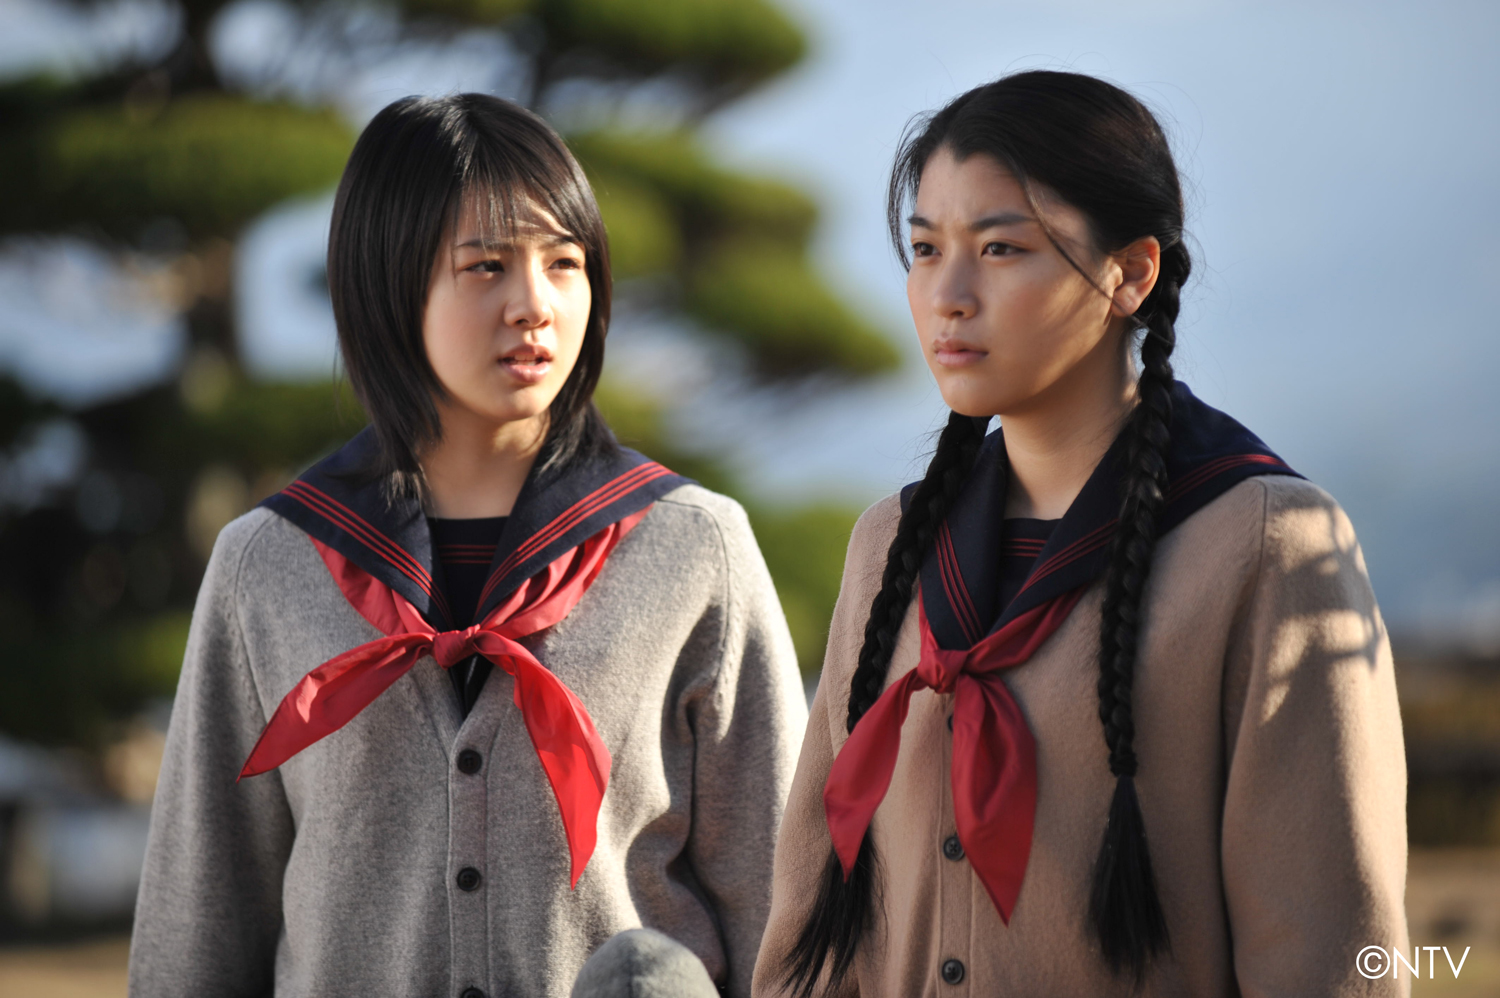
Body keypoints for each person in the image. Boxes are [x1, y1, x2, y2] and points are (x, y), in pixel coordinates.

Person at [129, 93, 807, 998]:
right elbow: (197, 930)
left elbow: (783, 911)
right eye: (485, 266)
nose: (534, 305)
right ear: (389, 284)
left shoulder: (694, 548)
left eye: (564, 263)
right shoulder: (269, 564)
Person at [753, 71, 1407, 997]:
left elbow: (1330, 952)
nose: (948, 295)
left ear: (1131, 273)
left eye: (1002, 248)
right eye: (926, 249)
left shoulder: (1264, 543)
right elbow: (811, 931)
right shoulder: (892, 543)